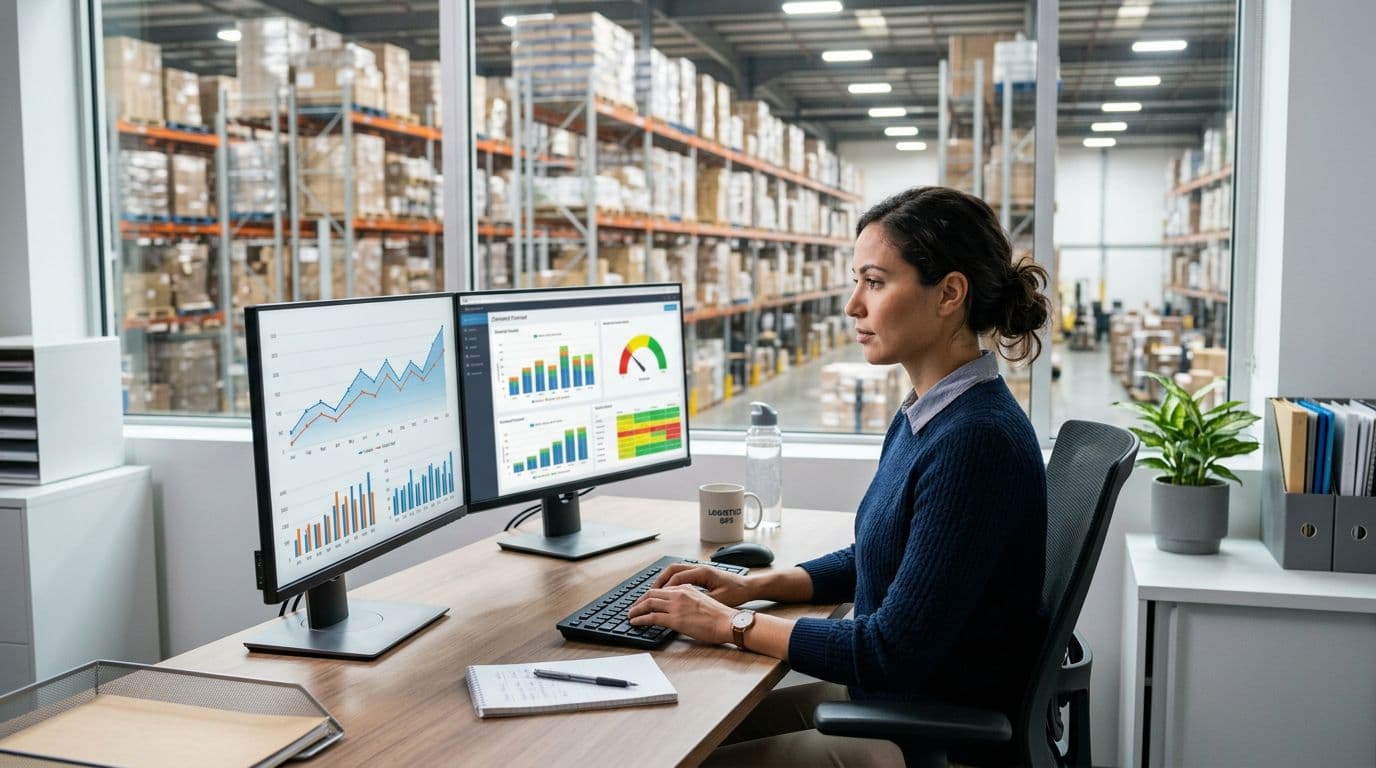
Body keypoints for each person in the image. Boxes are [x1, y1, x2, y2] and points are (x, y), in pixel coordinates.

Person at [629, 186, 1052, 767]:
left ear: (950, 293)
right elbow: (878, 555)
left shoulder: (975, 441)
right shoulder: (929, 412)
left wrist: (731, 623)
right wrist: (754, 586)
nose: (853, 305)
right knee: (683, 741)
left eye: (875, 282)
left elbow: (887, 651)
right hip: (899, 708)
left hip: (923, 737)